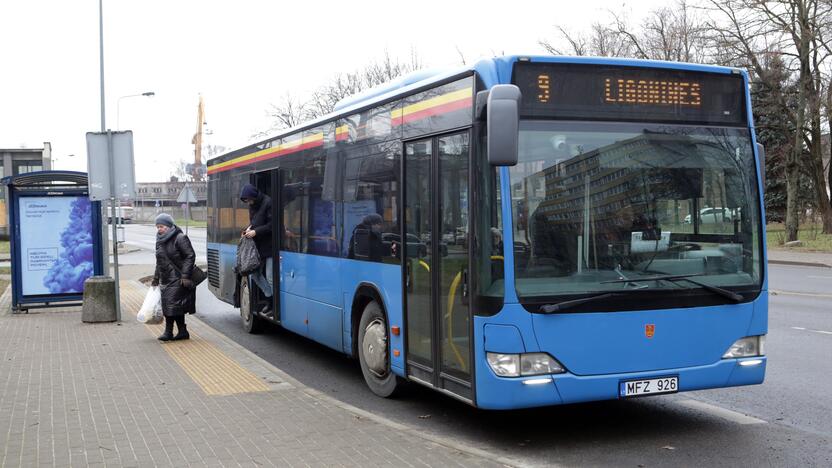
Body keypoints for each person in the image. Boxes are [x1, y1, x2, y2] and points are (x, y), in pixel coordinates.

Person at [151, 213, 197, 341]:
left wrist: (185, 275)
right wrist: (155, 278)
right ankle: (182, 331)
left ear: (169, 226)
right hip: (165, 278)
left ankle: (168, 332)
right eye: (158, 227)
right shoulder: (159, 241)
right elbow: (159, 261)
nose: (160, 229)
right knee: (174, 306)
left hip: (178, 277)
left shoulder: (180, 237)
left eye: (162, 226)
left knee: (170, 305)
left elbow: (190, 256)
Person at [240, 183, 273, 313]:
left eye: (248, 200)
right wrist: (249, 229)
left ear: (254, 196)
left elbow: (271, 225)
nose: (248, 203)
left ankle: (273, 304)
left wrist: (255, 232)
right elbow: (255, 222)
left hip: (270, 246)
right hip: (257, 247)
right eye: (245, 201)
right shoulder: (252, 205)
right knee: (254, 274)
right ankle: (269, 297)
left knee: (270, 276)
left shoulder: (268, 202)